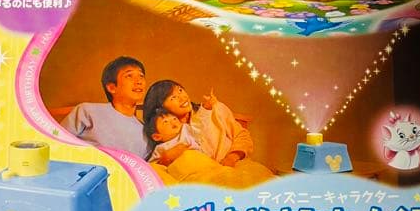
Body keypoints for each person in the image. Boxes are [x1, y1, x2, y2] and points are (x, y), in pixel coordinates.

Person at [142, 79, 274, 187]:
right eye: (173, 97)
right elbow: (154, 168)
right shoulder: (166, 132)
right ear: (160, 108)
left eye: (180, 90)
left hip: (232, 167)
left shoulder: (213, 109)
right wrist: (165, 159)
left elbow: (242, 135)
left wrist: (232, 158)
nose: (182, 97)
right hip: (197, 178)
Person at [61, 56, 148, 157]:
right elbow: (56, 142)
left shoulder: (145, 131)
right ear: (112, 88)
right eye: (129, 76)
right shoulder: (88, 111)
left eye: (141, 76)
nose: (139, 81)